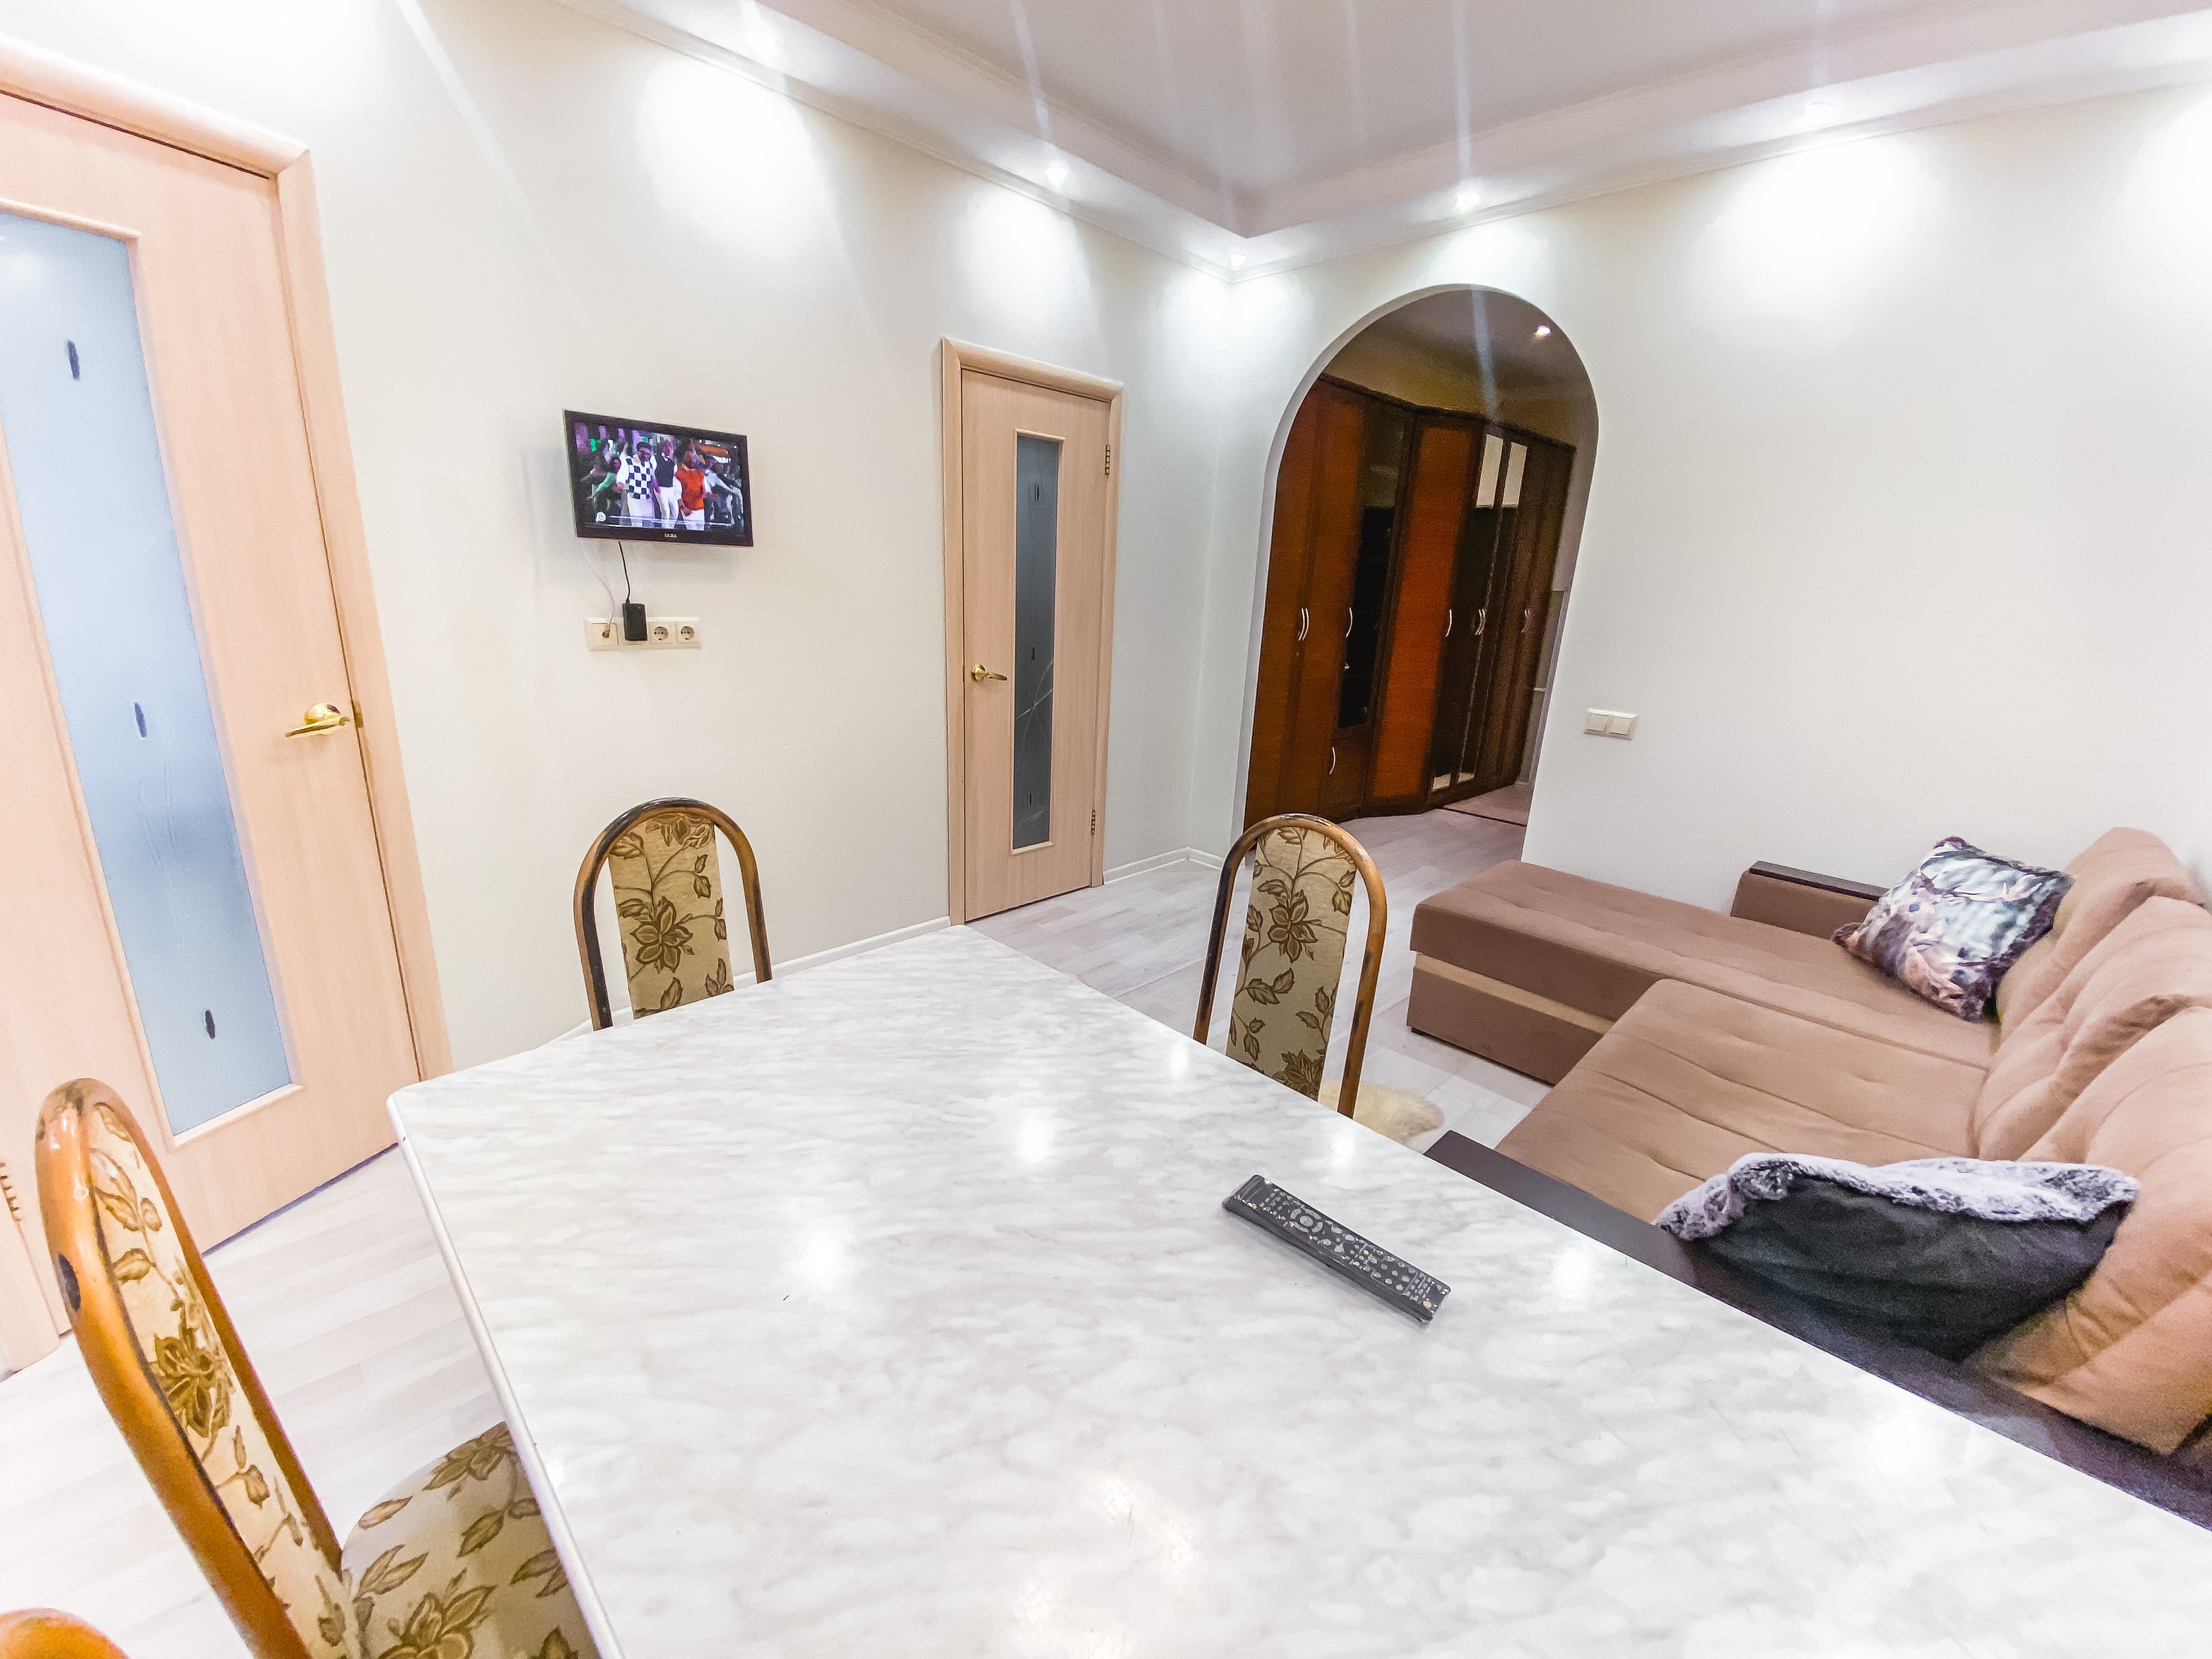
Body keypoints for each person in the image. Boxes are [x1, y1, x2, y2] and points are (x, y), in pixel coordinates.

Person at [675, 447, 708, 530]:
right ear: (684, 459)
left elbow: (706, 492)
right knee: (693, 533)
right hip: (688, 511)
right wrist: (684, 509)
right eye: (688, 457)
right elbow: (677, 495)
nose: (691, 460)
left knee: (701, 533)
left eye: (693, 457)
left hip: (700, 510)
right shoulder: (679, 475)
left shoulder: (700, 474)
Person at [653, 435, 681, 527]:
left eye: (671, 447)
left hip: (671, 489)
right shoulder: (656, 458)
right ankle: (665, 529)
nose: (669, 449)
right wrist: (655, 485)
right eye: (667, 447)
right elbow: (652, 473)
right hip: (660, 488)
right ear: (663, 448)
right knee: (666, 511)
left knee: (675, 512)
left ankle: (670, 529)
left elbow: (675, 477)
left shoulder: (673, 463)